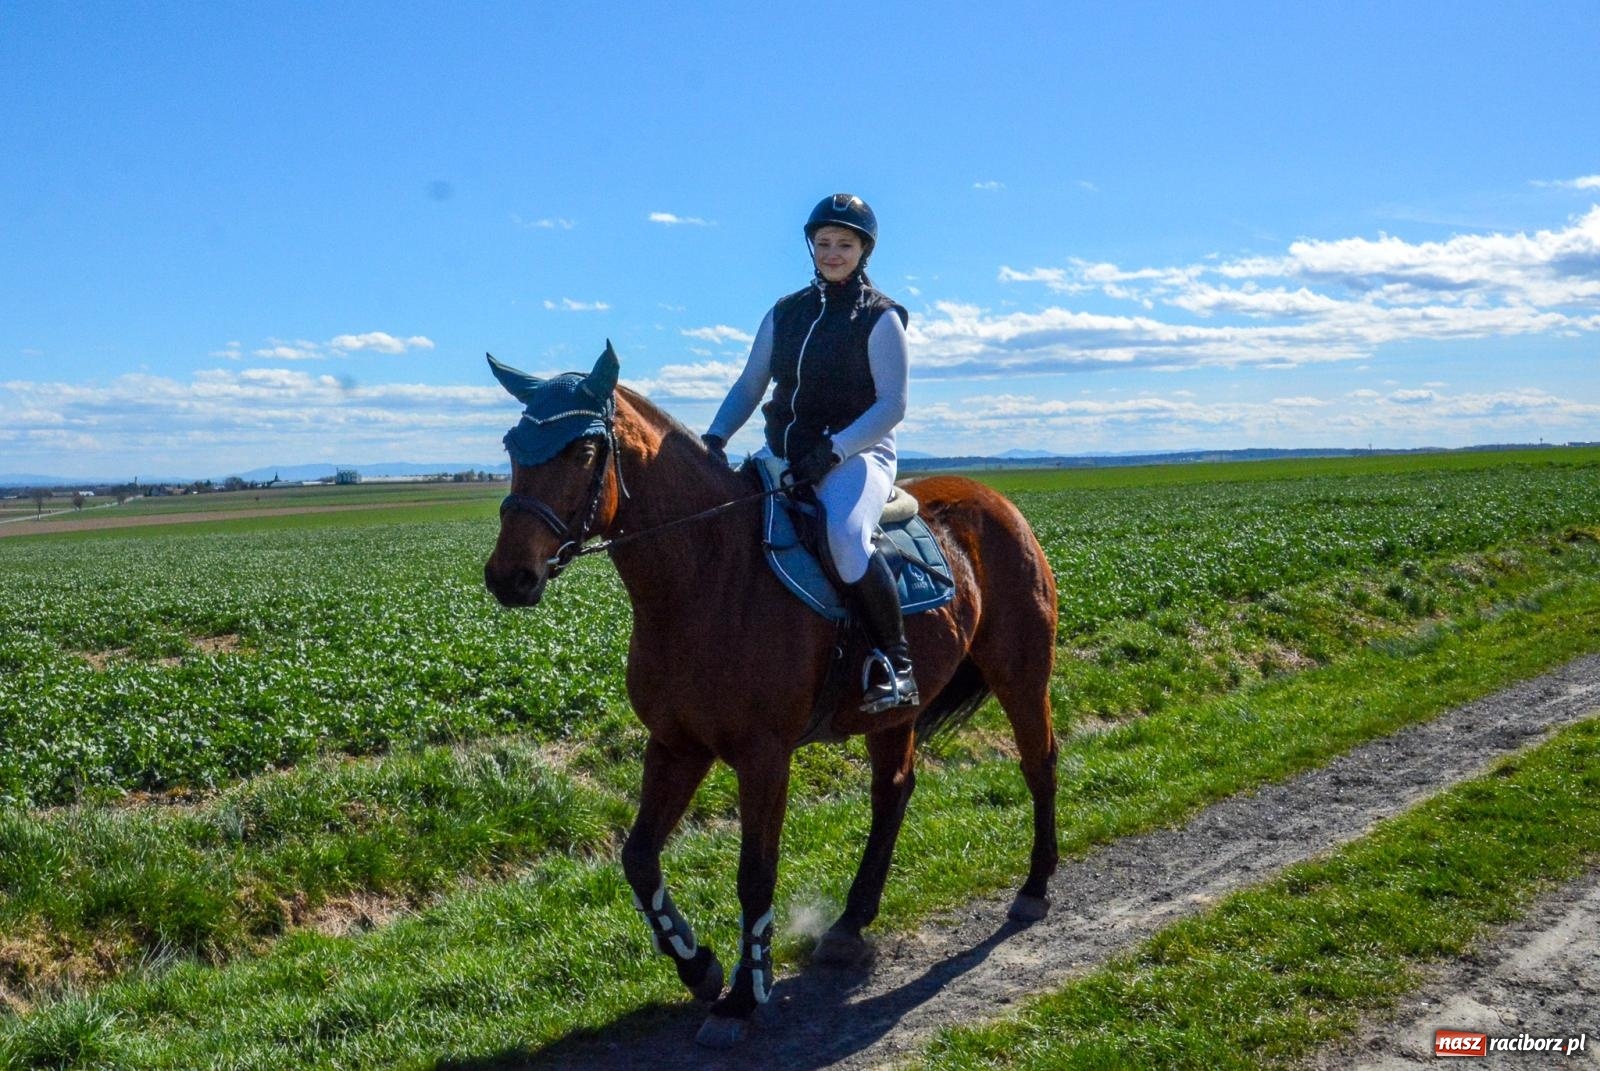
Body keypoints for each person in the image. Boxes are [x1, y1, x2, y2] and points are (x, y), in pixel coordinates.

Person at [703, 193, 918, 714]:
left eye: (844, 244)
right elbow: (752, 383)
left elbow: (893, 405)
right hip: (786, 454)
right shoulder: (785, 313)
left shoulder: (881, 317)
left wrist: (837, 449)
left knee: (845, 535)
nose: (832, 252)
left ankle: (896, 665)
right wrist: (715, 437)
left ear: (863, 250)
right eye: (823, 243)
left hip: (860, 453)